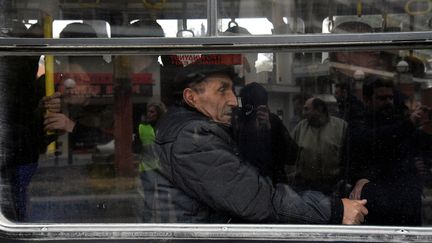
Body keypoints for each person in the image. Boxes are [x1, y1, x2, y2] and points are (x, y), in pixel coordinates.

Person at [148, 63, 368, 224]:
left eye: (233, 91)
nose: (234, 102)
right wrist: (336, 210)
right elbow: (254, 199)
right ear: (191, 97)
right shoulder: (193, 137)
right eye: (222, 90)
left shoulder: (202, 127)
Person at [348, 75, 431, 226]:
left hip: (405, 203)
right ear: (367, 100)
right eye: (382, 98)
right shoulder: (360, 123)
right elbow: (372, 140)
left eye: (390, 98)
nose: (388, 102)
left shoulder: (398, 121)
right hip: (377, 204)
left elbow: (421, 143)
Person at [233, 82, 298, 184]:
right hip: (252, 183)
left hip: (269, 183)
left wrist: (269, 130)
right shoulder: (240, 123)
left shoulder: (272, 121)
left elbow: (291, 155)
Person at [290, 97, 347, 195]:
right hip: (307, 185)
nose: (304, 113)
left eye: (307, 109)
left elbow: (348, 156)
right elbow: (291, 153)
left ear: (319, 110)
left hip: (333, 185)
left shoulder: (340, 126)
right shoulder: (301, 128)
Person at [137, 102, 166, 222]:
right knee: (149, 201)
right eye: (148, 111)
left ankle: (166, 228)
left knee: (164, 201)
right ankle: (147, 227)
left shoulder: (164, 128)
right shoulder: (142, 127)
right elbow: (137, 146)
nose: (149, 114)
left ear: (158, 113)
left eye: (152, 111)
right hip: (147, 169)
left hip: (163, 170)